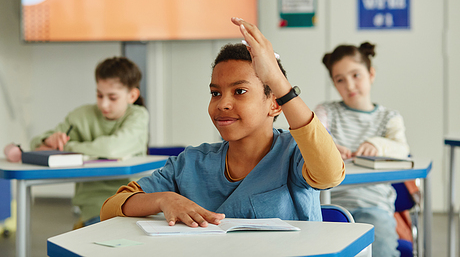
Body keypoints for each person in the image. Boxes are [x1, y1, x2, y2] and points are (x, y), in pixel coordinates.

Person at [100, 17, 345, 227]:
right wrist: (164, 199)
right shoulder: (191, 163)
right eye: (215, 93)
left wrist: (278, 81)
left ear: (274, 103)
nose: (222, 104)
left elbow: (330, 174)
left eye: (239, 91)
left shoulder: (293, 154)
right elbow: (110, 208)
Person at [314, 42, 410, 257]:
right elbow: (315, 137)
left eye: (356, 75)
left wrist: (377, 144)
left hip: (374, 206)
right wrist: (327, 148)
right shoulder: (326, 111)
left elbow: (402, 149)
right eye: (340, 80)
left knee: (381, 244)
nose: (349, 85)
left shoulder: (389, 118)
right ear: (334, 83)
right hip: (330, 206)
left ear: (371, 74)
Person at [30, 57, 149, 228]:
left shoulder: (139, 115)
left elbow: (111, 149)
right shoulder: (81, 115)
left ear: (132, 95)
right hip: (93, 206)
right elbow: (36, 144)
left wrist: (68, 147)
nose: (103, 104)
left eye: (112, 97)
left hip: (132, 201)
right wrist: (48, 140)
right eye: (99, 95)